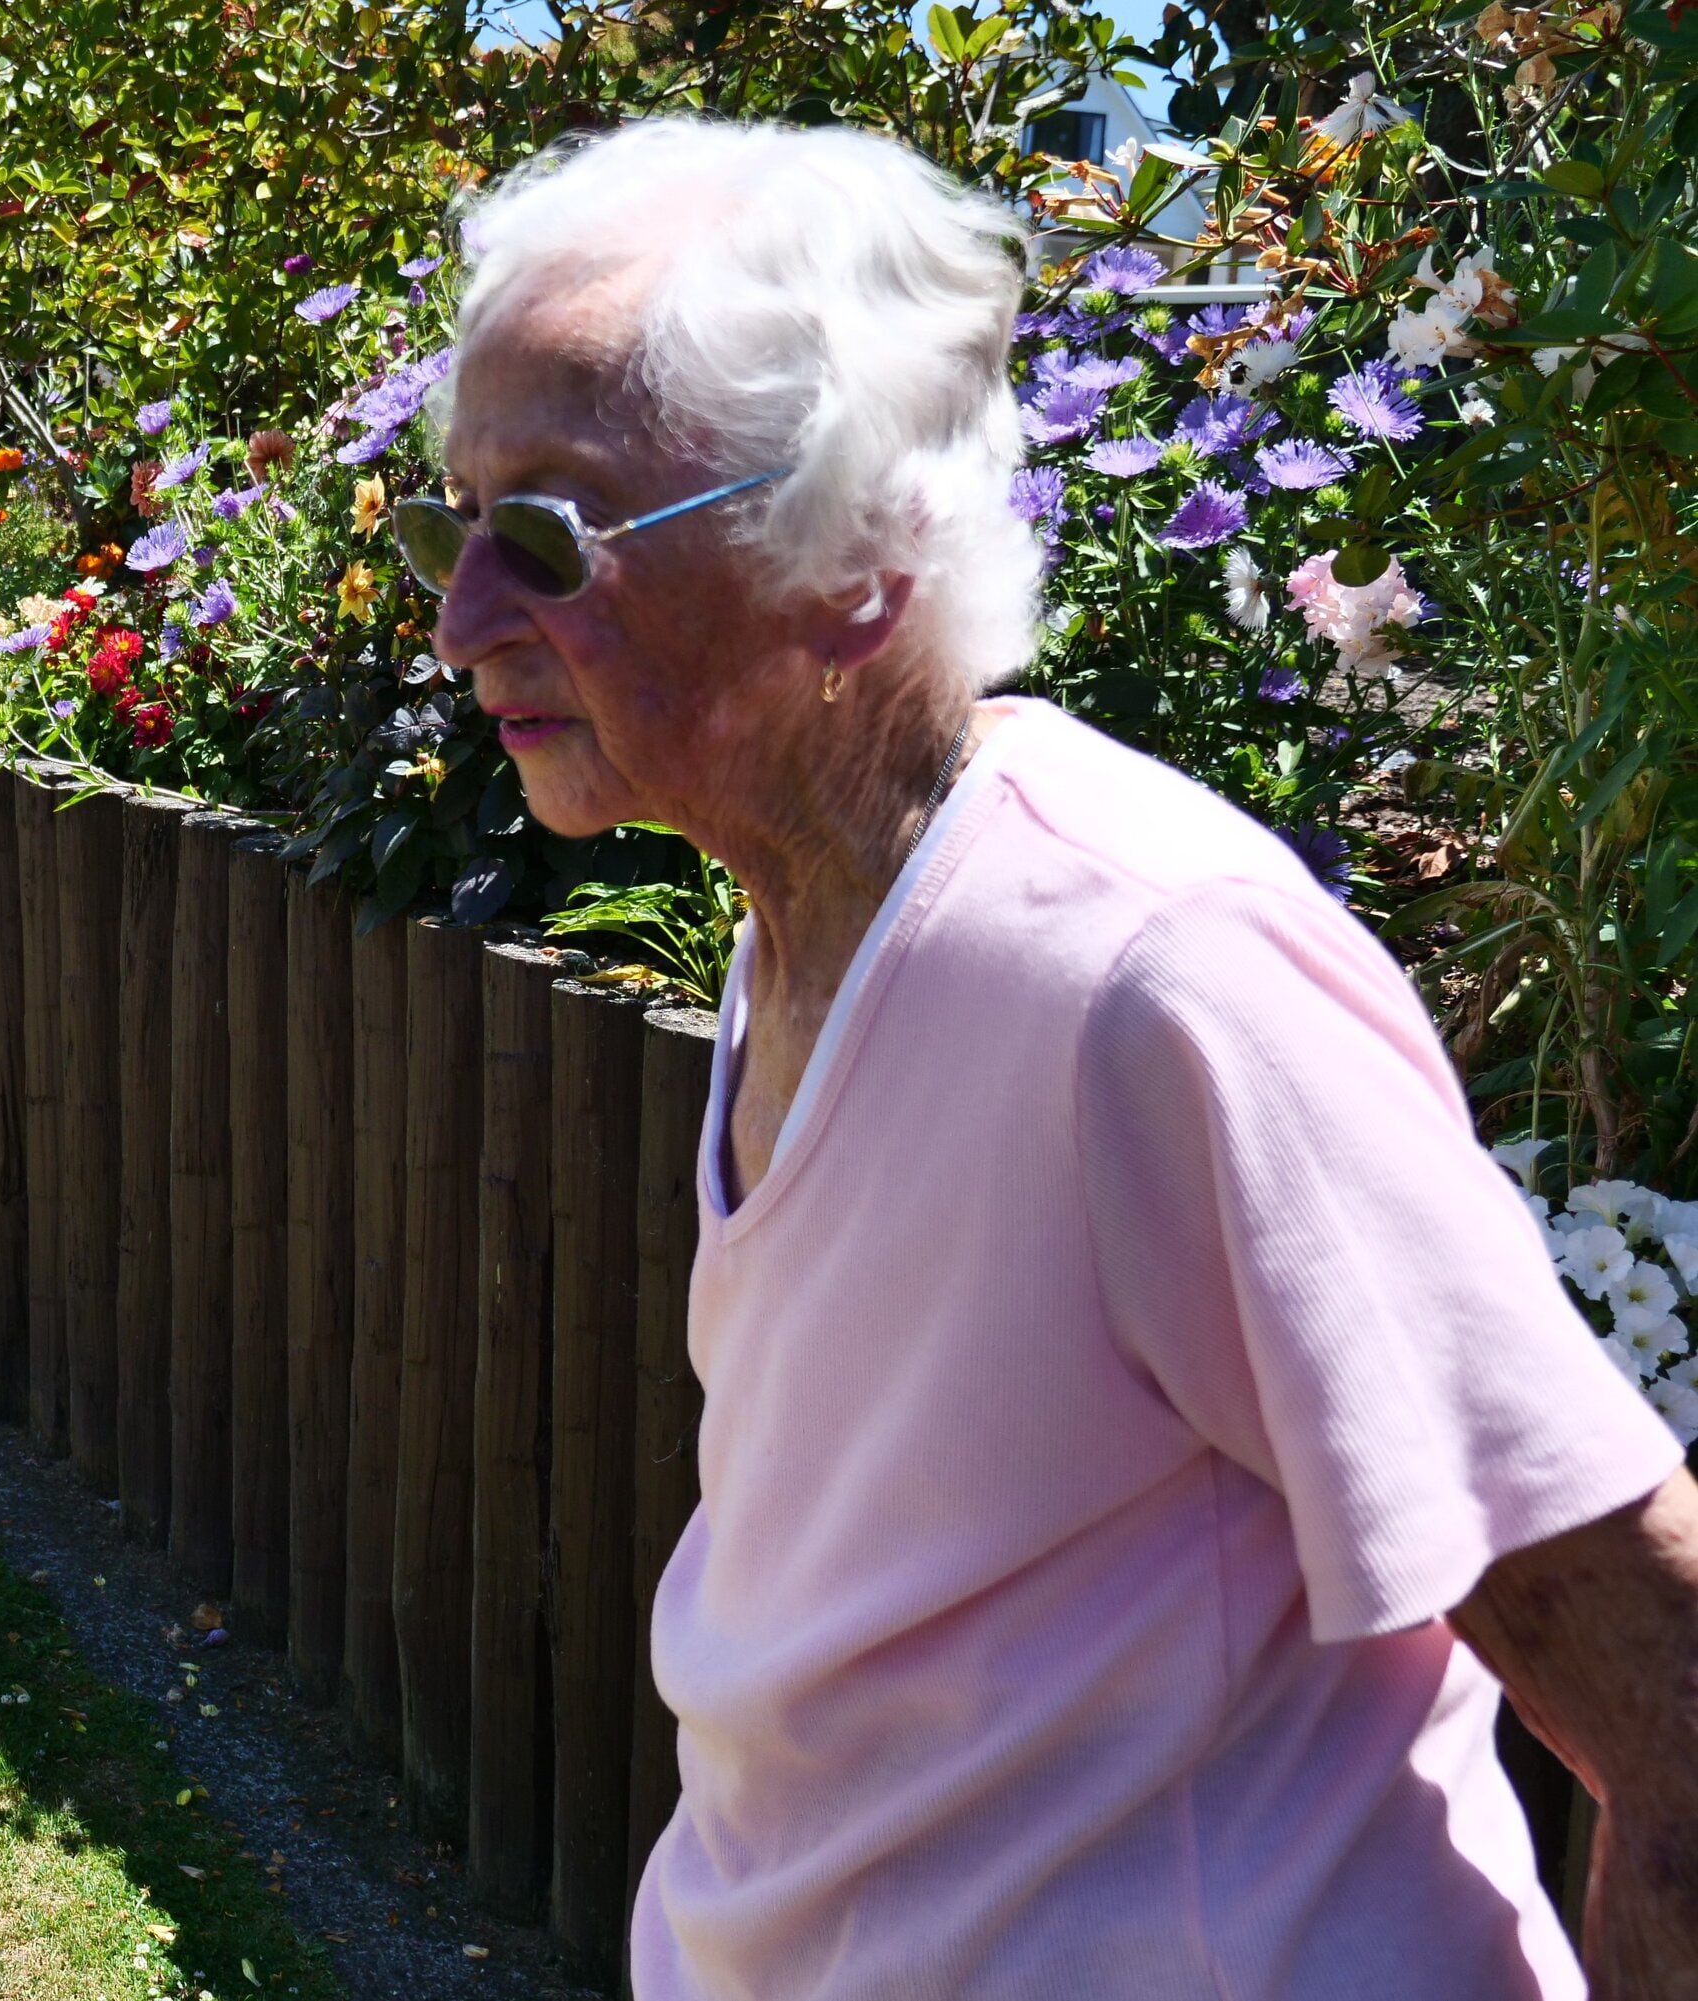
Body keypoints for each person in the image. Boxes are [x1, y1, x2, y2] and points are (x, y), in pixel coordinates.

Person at [402, 116, 1698, 1999]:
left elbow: (1667, 1690)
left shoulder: (1151, 977)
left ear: (847, 560)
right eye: (452, 525)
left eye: (543, 538)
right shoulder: (813, 914)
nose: (461, 622)